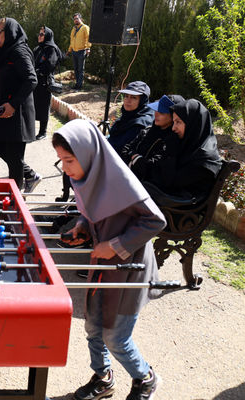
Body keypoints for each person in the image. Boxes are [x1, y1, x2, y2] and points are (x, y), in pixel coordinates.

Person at [53, 119, 165, 400]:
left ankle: (145, 378)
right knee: (92, 326)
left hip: (129, 269)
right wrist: (82, 226)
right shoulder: (87, 178)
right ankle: (103, 378)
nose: (65, 169)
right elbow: (93, 211)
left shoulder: (122, 183)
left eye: (68, 160)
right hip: (102, 265)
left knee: (115, 336)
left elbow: (156, 221)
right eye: (61, 161)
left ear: (89, 154)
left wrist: (114, 245)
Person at [0, 17, 41, 192]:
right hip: (6, 108)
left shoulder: (19, 51)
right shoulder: (5, 51)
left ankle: (15, 200)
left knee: (15, 157)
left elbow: (32, 80)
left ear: (9, 32)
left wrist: (14, 104)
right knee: (1, 147)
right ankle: (30, 175)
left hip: (18, 111)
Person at [145, 99, 222, 202]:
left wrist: (170, 153)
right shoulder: (187, 146)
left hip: (181, 207)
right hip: (168, 199)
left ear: (193, 124)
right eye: (173, 122)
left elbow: (169, 181)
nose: (173, 128)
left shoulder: (205, 159)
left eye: (178, 122)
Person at [119, 94, 185, 181]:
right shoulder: (147, 131)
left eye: (161, 112)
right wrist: (137, 158)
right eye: (156, 110)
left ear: (174, 116)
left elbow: (152, 168)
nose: (156, 114)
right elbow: (125, 150)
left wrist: (134, 157)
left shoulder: (172, 140)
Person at [33, 26, 62, 140]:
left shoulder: (51, 49)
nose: (39, 36)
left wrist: (38, 71)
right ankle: (32, 130)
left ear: (48, 36)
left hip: (45, 82)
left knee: (43, 106)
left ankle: (42, 132)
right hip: (35, 81)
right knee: (34, 105)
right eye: (39, 34)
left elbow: (50, 64)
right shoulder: (38, 48)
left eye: (42, 34)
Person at [108, 81, 154, 153]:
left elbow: (120, 147)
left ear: (142, 101)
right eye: (126, 96)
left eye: (133, 97)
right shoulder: (129, 114)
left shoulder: (141, 124)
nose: (128, 101)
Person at [66, 13, 91, 90]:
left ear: (81, 19)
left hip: (81, 51)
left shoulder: (85, 27)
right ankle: (77, 84)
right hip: (74, 51)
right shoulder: (73, 29)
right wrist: (69, 50)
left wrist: (88, 48)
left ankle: (79, 86)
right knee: (76, 69)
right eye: (74, 19)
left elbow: (88, 38)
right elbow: (72, 40)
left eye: (77, 18)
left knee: (80, 69)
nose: (75, 20)